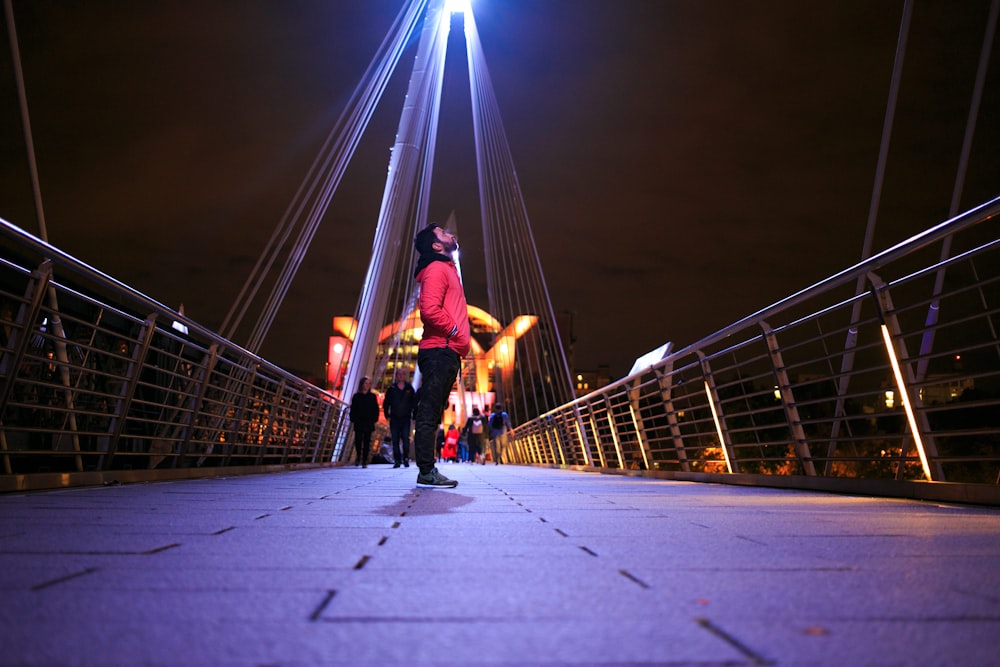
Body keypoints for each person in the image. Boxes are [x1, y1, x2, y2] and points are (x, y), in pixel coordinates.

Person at [411, 222, 470, 488]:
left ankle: (428, 469)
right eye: (444, 234)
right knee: (429, 410)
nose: (451, 235)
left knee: (434, 411)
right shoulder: (436, 269)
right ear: (437, 245)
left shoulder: (445, 269)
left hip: (447, 350)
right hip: (439, 349)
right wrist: (455, 330)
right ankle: (426, 471)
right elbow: (430, 310)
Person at [383, 368, 417, 468]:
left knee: (406, 439)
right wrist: (386, 415)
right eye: (399, 374)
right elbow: (386, 403)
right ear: (397, 376)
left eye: (403, 374)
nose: (401, 376)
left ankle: (405, 458)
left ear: (405, 376)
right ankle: (397, 460)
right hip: (394, 418)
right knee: (395, 439)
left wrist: (414, 416)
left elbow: (414, 403)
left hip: (406, 418)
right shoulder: (392, 389)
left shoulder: (409, 388)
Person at [349, 376, 379, 468]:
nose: (367, 385)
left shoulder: (372, 397)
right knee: (358, 440)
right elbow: (353, 408)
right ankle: (358, 456)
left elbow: (375, 409)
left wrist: (374, 419)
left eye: (369, 383)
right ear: (362, 384)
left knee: (367, 441)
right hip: (359, 421)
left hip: (368, 422)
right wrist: (353, 418)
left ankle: (364, 460)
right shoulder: (356, 396)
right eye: (366, 383)